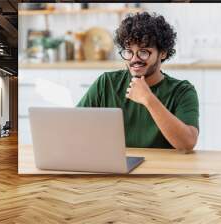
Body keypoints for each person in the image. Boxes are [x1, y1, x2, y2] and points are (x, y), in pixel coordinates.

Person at [77, 12, 199, 153]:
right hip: (115, 167)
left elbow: (187, 143)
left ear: (163, 53)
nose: (134, 59)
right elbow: (75, 125)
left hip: (161, 171)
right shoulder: (107, 83)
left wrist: (148, 99)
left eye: (143, 52)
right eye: (129, 52)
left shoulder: (182, 91)